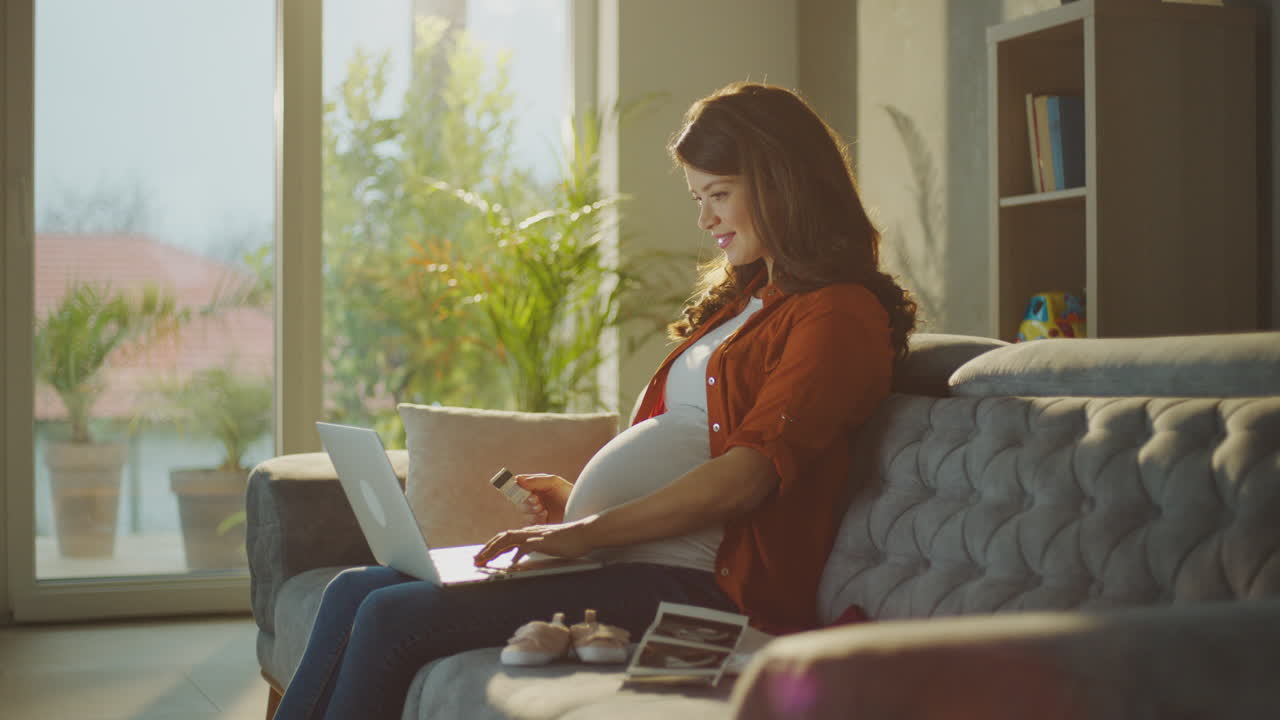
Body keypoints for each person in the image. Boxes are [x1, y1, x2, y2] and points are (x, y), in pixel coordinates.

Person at [273, 81, 917, 720]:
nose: (705, 220)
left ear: (783, 183)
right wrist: (579, 501)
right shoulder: (744, 302)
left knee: (390, 615)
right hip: (633, 561)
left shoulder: (837, 314)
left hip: (702, 590)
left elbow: (746, 476)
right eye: (698, 198)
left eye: (719, 195)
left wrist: (586, 532)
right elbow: (692, 445)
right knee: (353, 590)